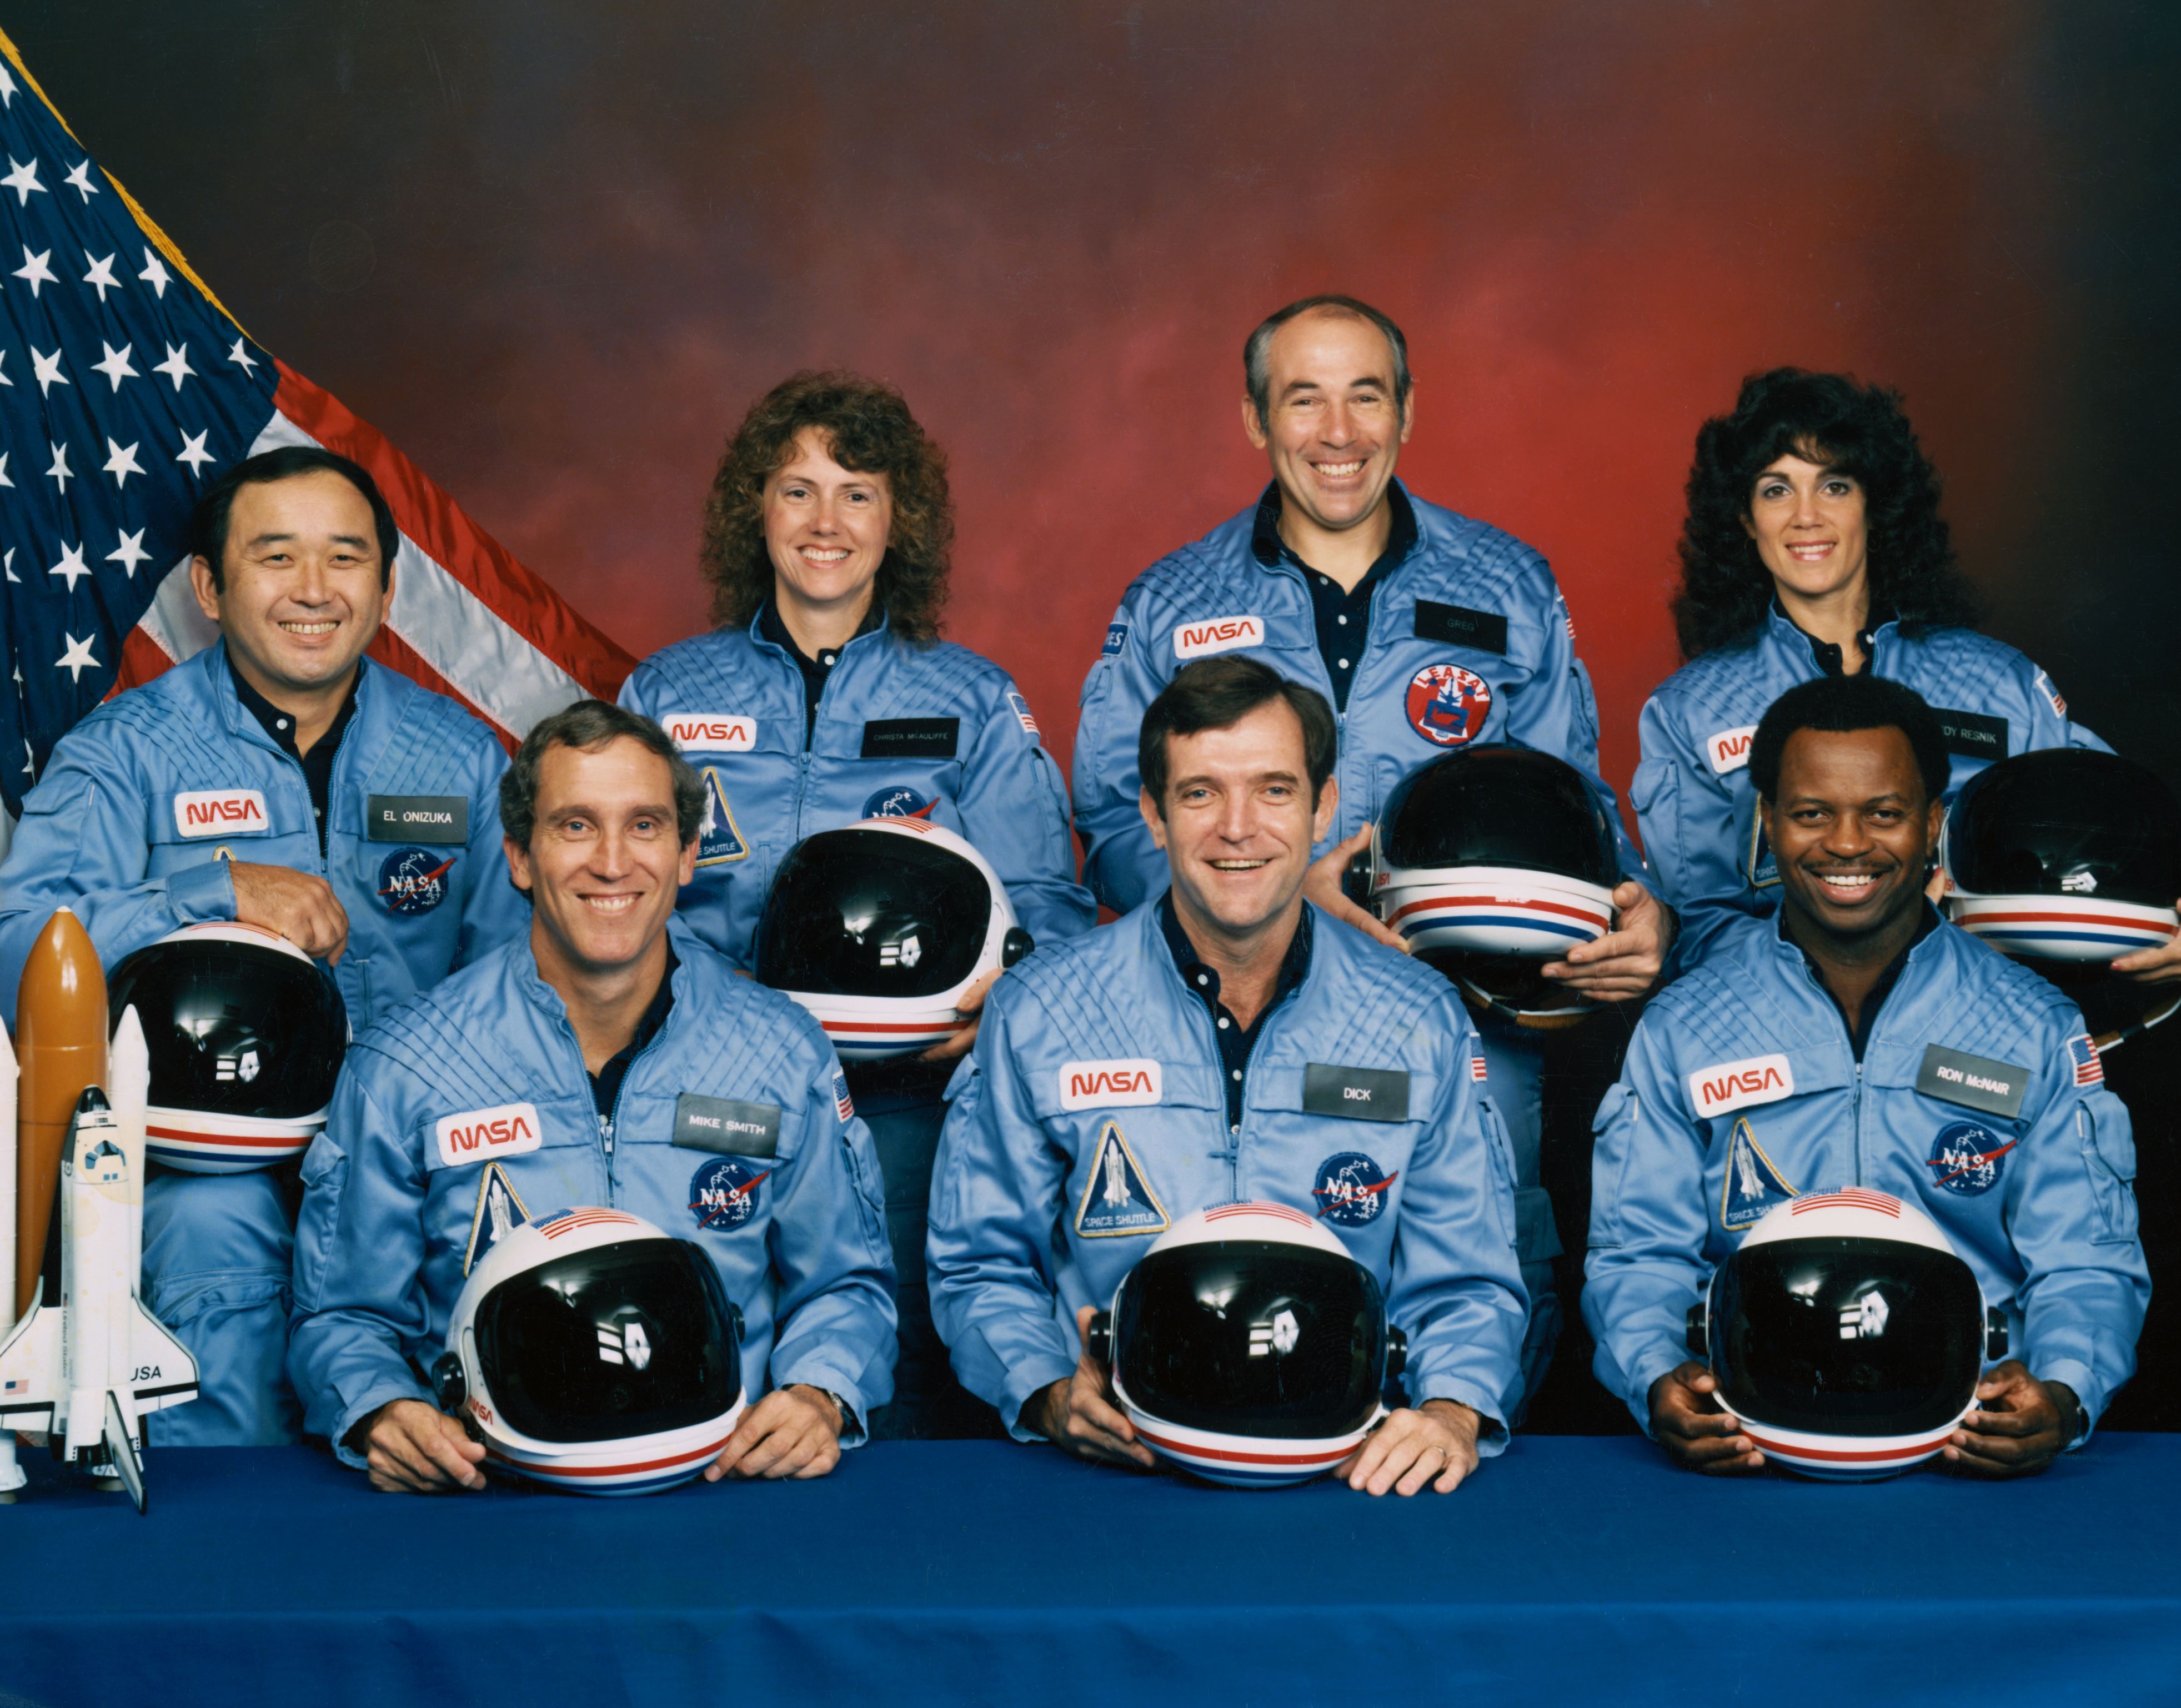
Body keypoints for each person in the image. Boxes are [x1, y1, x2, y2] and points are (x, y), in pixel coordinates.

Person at [1070, 295, 1668, 1410]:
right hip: (1228, 1025)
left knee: (1473, 1328)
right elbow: (1112, 820)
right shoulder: (1171, 601)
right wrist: (1268, 897)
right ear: (1256, 418)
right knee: (1251, 1324)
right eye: (1304, 399)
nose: (1338, 432)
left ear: (1407, 410)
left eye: (1366, 396)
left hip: (1469, 1029)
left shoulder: (1507, 586)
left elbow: (1576, 808)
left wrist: (1636, 913)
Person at [0, 445, 520, 1445]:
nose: (314, 590)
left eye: (345, 558)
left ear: (386, 587)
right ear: (209, 587)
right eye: (276, 557)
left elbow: (516, 981)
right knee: (212, 1227)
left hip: (407, 1161)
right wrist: (214, 890)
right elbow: (21, 946)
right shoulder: (126, 752)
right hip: (204, 1167)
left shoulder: (455, 753)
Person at [617, 372, 1094, 1438]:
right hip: (713, 1095)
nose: (824, 522)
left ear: (897, 521)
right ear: (755, 510)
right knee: (712, 1365)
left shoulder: (971, 698)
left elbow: (1048, 908)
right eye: (797, 491)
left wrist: (1000, 1000)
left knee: (913, 1375)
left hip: (909, 1108)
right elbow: (613, 887)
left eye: (857, 494)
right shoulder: (667, 694)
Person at [931, 657, 1528, 1494]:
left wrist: (1451, 1408)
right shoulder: (1043, 1009)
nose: (1237, 828)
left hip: (1351, 1476)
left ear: (1323, 807)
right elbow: (979, 1262)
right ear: (1153, 813)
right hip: (1117, 1474)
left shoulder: (1415, 1017)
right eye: (1200, 793)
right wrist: (1046, 1388)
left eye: (1274, 790)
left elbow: (1468, 1280)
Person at [287, 701, 896, 1493]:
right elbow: (342, 1316)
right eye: (575, 825)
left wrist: (821, 1390)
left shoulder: (780, 1051)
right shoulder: (408, 1063)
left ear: (687, 853)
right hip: (494, 1497)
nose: (612, 862)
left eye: (644, 825)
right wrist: (379, 1404)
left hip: (724, 1488)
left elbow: (846, 1284)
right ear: (518, 856)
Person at [1586, 676, 2148, 1476]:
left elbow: (2085, 1258)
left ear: (1933, 823)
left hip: (1967, 1440)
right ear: (1767, 821)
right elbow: (1638, 1253)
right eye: (1812, 812)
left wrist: (2062, 1389)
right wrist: (1653, 1376)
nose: (1847, 844)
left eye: (1883, 813)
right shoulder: (1686, 1026)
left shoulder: (2031, 1024)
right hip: (1752, 1437)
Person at [1636, 366, 2181, 974]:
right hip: (1782, 1020)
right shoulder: (1692, 709)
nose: (1806, 516)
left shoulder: (1996, 683)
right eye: (1776, 489)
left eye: (1834, 486)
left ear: (1874, 504)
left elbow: (2128, 835)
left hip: (1986, 1007)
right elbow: (1697, 929)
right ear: (1744, 517)